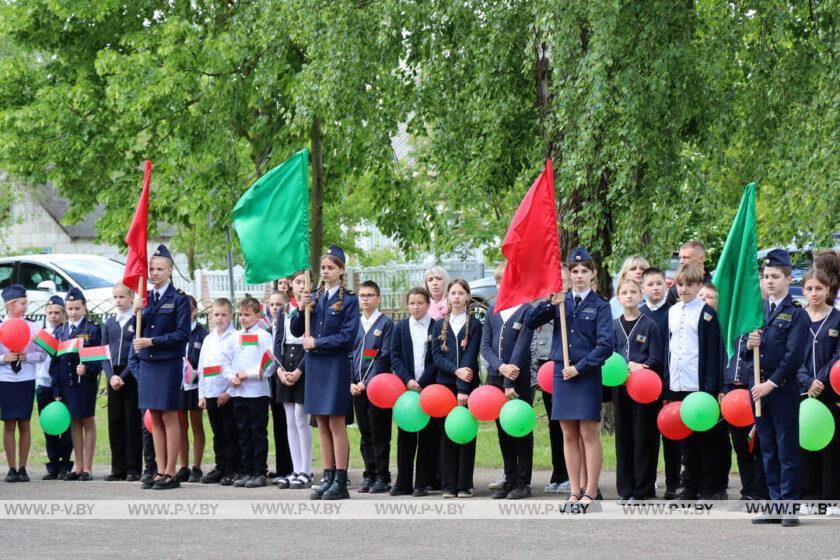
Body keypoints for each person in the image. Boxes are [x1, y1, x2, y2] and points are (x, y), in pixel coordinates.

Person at [525, 248, 612, 507]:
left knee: (588, 432)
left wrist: (581, 367)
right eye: (575, 271)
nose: (579, 275)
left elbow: (605, 345)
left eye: (585, 271)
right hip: (562, 372)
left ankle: (591, 491)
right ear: (569, 275)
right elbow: (530, 321)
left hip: (584, 374)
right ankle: (574, 490)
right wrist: (549, 302)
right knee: (568, 433)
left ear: (593, 274)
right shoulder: (561, 302)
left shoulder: (600, 306)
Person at [291, 245, 359, 501]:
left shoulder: (349, 301)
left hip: (334, 365)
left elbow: (347, 337)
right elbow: (298, 330)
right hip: (316, 367)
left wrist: (318, 343)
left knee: (335, 422)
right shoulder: (314, 298)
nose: (325, 272)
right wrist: (301, 307)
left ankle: (340, 479)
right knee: (320, 422)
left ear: (341, 270)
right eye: (323, 268)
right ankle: (327, 475)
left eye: (331, 267)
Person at [747, 249, 809, 526]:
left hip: (781, 390)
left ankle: (789, 507)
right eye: (766, 276)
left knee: (786, 449)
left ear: (787, 279)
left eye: (775, 276)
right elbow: (748, 355)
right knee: (767, 448)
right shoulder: (758, 311)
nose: (769, 281)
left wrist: (771, 385)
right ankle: (774, 504)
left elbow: (794, 355)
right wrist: (749, 346)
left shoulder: (796, 313)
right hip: (758, 389)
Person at [132, 244, 192, 490]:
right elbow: (138, 329)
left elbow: (182, 334)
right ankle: (159, 469)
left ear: (169, 271)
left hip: (167, 363)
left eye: (159, 269)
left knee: (168, 415)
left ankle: (170, 472)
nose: (154, 273)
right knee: (154, 416)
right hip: (149, 363)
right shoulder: (145, 298)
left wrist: (152, 341)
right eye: (152, 269)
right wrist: (137, 311)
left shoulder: (178, 299)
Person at [664, 263, 726, 501]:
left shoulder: (708, 314)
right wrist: (668, 384)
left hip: (700, 385)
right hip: (679, 384)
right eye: (680, 285)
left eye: (690, 285)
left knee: (706, 439)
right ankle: (690, 486)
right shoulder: (672, 312)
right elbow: (671, 348)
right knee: (685, 439)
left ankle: (710, 487)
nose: (684, 289)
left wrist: (712, 388)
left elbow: (713, 353)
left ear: (699, 285)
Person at [481, 262, 535, 500]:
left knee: (520, 428)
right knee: (503, 429)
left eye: (509, 280)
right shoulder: (492, 309)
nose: (503, 284)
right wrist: (500, 366)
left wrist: (510, 374)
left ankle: (523, 482)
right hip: (495, 377)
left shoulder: (526, 310)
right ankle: (509, 478)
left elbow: (522, 346)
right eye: (499, 281)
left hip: (519, 378)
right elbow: (485, 345)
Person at [612, 278, 663, 501]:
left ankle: (643, 489)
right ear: (618, 297)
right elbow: (609, 356)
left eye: (634, 291)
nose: (630, 295)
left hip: (644, 389)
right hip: (620, 389)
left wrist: (639, 366)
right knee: (623, 439)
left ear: (641, 295)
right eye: (625, 292)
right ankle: (625, 489)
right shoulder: (614, 325)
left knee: (644, 438)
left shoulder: (649, 325)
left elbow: (656, 358)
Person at [432, 279, 483, 498]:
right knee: (447, 434)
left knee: (465, 433)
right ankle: (449, 484)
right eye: (452, 293)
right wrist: (455, 371)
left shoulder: (476, 324)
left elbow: (470, 357)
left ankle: (464, 484)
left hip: (467, 388)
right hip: (445, 386)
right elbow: (436, 357)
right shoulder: (438, 324)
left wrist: (463, 387)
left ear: (468, 297)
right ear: (447, 297)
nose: (456, 297)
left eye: (461, 293)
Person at [796, 269, 840, 510]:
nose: (814, 293)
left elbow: (838, 356)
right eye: (810, 289)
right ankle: (808, 497)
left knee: (832, 446)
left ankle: (832, 498)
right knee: (805, 443)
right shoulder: (797, 318)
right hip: (803, 392)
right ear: (803, 291)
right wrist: (806, 381)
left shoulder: (837, 319)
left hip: (829, 392)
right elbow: (791, 356)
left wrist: (819, 380)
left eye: (819, 288)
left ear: (828, 289)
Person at [390, 287, 440, 497]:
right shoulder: (401, 327)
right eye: (412, 303)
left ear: (428, 304)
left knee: (428, 437)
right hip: (408, 390)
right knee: (405, 437)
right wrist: (408, 380)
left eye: (420, 303)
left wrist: (422, 381)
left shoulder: (437, 327)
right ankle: (403, 482)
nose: (415, 307)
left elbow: (436, 359)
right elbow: (395, 356)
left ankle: (422, 482)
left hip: (428, 389)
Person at [50, 287, 103, 481]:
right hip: (66, 383)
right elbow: (55, 363)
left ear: (84, 308)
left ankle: (88, 467)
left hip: (85, 383)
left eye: (77, 308)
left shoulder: (93, 329)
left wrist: (88, 370)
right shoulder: (61, 331)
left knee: (87, 420)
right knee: (74, 422)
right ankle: (78, 466)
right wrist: (56, 389)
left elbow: (100, 359)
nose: (73, 312)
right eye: (70, 308)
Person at [221, 296, 274, 488]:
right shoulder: (234, 337)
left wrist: (248, 374)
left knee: (257, 433)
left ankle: (259, 471)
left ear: (258, 315)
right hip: (238, 393)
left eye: (247, 315)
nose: (243, 318)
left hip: (257, 392)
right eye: (240, 314)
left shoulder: (264, 336)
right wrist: (230, 377)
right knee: (242, 433)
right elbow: (225, 361)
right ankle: (246, 470)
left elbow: (269, 365)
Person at [351, 280, 394, 493]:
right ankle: (369, 474)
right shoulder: (355, 324)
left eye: (370, 295)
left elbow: (384, 357)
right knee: (365, 432)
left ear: (378, 298)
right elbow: (350, 355)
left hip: (378, 389)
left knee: (380, 432)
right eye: (362, 295)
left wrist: (366, 383)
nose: (365, 299)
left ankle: (382, 476)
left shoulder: (385, 324)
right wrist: (352, 382)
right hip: (356, 389)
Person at [1, 285, 47, 482]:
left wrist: (26, 356)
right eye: (22, 303)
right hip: (5, 379)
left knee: (25, 422)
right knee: (9, 422)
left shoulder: (33, 326)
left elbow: (43, 354)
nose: (25, 307)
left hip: (26, 378)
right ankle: (11, 468)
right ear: (11, 305)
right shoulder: (1, 326)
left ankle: (23, 467)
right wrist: (5, 359)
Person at [640, 266, 679, 499]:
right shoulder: (640, 313)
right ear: (642, 288)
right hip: (644, 385)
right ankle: (648, 482)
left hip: (670, 383)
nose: (655, 288)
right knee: (647, 435)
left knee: (672, 434)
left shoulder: (674, 312)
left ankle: (674, 482)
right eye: (650, 284)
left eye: (659, 283)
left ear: (667, 284)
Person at [272, 273, 312, 490]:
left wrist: (299, 370)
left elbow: (309, 342)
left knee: (300, 417)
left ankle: (306, 469)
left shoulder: (310, 309)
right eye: (297, 282)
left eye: (305, 282)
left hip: (302, 363)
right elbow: (277, 341)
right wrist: (279, 368)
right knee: (289, 419)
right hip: (285, 361)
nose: (300, 286)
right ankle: (295, 469)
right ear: (291, 285)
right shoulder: (285, 309)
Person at [197, 298, 240, 485]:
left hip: (228, 393)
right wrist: (202, 394)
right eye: (216, 315)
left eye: (224, 314)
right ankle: (220, 466)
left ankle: (232, 469)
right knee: (217, 433)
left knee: (231, 432)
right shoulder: (208, 339)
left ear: (231, 316)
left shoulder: (236, 337)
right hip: (211, 392)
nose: (220, 318)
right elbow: (202, 368)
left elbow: (238, 366)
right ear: (211, 316)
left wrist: (229, 391)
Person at [104, 283, 142, 482]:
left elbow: (136, 352)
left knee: (131, 420)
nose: (118, 301)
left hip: (130, 375)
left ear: (131, 298)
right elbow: (103, 352)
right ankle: (117, 468)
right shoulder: (110, 322)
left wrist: (123, 376)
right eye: (115, 297)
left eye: (122, 297)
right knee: (115, 421)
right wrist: (110, 375)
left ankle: (133, 467)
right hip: (113, 376)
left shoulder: (137, 321)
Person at [537, 265, 570, 495]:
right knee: (554, 423)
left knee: (571, 425)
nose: (559, 285)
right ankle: (558, 471)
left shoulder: (573, 305)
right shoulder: (544, 306)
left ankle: (572, 473)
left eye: (563, 280)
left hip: (570, 369)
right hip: (547, 372)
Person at [35, 295, 73, 480]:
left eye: (57, 312)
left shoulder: (66, 333)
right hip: (43, 384)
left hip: (62, 386)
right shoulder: (39, 334)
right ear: (45, 313)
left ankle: (65, 463)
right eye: (50, 312)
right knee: (48, 425)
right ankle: (53, 464)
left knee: (65, 426)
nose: (53, 316)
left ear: (63, 313)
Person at [176, 295, 208, 483]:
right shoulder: (176, 331)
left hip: (196, 385)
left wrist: (197, 371)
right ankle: (183, 466)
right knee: (180, 427)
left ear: (195, 311)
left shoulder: (203, 334)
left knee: (196, 425)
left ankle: (196, 466)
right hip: (179, 384)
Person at [266, 290, 293, 482]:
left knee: (289, 422)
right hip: (273, 380)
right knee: (278, 423)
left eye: (278, 305)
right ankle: (282, 467)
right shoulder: (268, 328)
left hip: (286, 376)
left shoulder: (288, 324)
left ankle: (293, 466)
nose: (275, 308)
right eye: (272, 305)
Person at [667, 241, 712, 305]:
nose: (681, 261)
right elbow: (667, 312)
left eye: (685, 257)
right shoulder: (676, 286)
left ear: (701, 258)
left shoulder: (713, 284)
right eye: (680, 258)